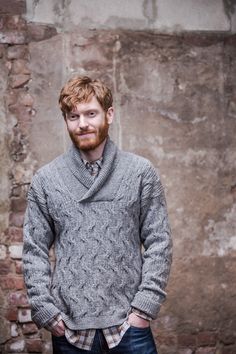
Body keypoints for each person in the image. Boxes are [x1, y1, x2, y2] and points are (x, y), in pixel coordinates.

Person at [23, 76, 172, 354]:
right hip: (70, 330)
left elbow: (159, 242)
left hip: (128, 328)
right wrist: (46, 310)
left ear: (109, 114)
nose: (82, 124)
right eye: (73, 116)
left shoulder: (140, 173)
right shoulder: (46, 180)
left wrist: (143, 309)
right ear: (66, 120)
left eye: (91, 114)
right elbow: (34, 250)